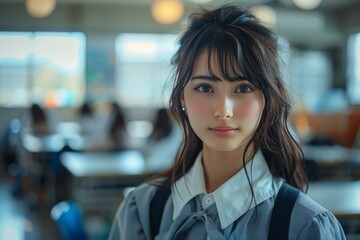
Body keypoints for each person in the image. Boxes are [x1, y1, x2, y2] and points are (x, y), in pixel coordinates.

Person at [108, 4, 345, 240]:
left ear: (267, 101)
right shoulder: (143, 210)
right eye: (204, 87)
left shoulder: (305, 225)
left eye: (243, 88)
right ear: (183, 98)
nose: (223, 111)